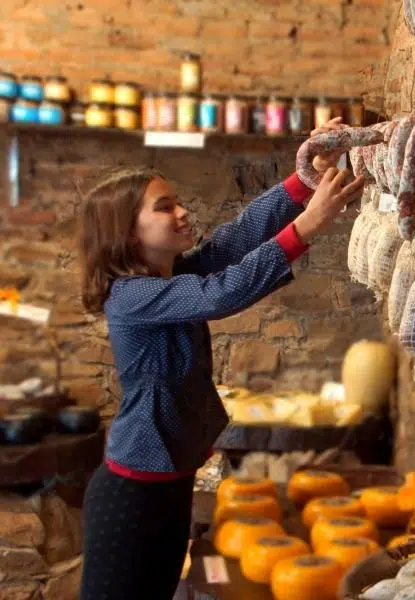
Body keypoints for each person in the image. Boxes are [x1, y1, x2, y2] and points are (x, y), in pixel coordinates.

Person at [76, 118, 365, 600]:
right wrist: (304, 228)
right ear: (128, 236)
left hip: (167, 482)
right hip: (131, 495)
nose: (184, 213)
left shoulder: (172, 276)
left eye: (178, 201)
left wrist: (302, 179)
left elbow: (235, 241)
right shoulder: (130, 297)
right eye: (165, 208)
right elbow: (220, 293)